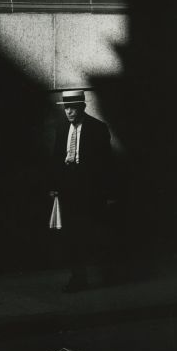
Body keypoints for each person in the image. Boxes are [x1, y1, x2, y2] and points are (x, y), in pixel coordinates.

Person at [49, 89, 112, 292]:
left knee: (90, 233)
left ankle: (103, 275)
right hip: (68, 189)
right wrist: (55, 186)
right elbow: (55, 159)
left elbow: (105, 164)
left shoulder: (98, 129)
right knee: (71, 235)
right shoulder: (61, 128)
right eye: (67, 107)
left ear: (82, 107)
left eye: (73, 107)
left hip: (89, 190)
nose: (69, 112)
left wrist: (106, 193)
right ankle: (78, 277)